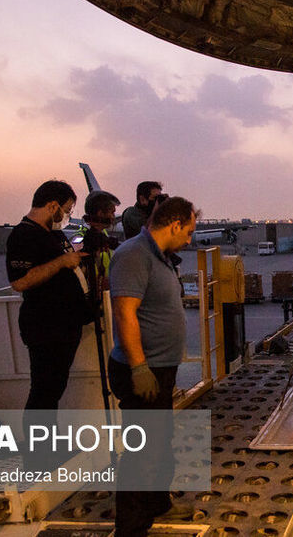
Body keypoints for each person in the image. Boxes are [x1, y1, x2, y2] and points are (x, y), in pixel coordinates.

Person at [107, 197, 196, 536]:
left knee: (160, 442)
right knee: (141, 453)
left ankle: (159, 503)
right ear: (174, 225)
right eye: (187, 231)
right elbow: (124, 313)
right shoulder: (133, 254)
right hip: (143, 370)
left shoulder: (158, 256)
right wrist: (139, 368)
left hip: (160, 368)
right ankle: (131, 529)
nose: (188, 239)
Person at [5, 180, 92, 415]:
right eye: (67, 209)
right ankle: (40, 449)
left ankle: (48, 445)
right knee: (43, 393)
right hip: (46, 328)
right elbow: (20, 281)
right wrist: (62, 262)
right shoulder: (24, 235)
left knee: (53, 390)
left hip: (64, 326)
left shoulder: (54, 234)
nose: (67, 215)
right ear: (52, 206)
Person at [75, 190, 121, 282]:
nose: (113, 217)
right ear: (100, 213)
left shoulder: (102, 234)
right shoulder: (88, 238)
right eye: (111, 212)